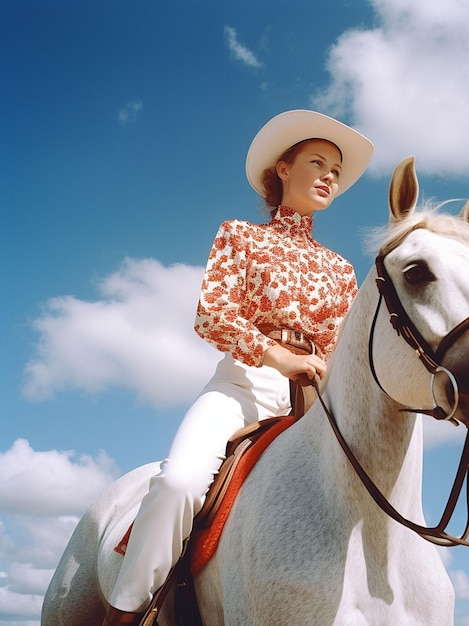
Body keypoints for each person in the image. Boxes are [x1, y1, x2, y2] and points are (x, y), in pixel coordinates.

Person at [102, 110, 374, 625]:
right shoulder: (241, 236)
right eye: (317, 162)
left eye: (336, 170)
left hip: (316, 400)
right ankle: (125, 612)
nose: (329, 176)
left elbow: (341, 346)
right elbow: (213, 315)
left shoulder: (341, 268)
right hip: (243, 384)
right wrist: (281, 357)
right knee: (180, 481)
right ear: (283, 168)